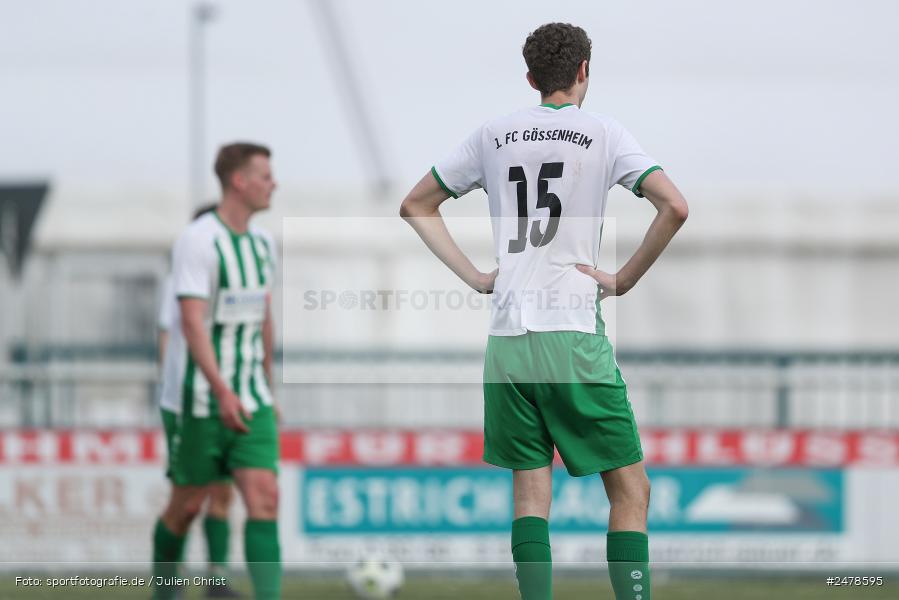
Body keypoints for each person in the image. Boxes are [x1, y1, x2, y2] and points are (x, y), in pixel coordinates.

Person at [400, 23, 688, 600]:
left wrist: (479, 278)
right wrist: (623, 279)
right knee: (631, 493)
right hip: (573, 334)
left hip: (508, 340)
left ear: (531, 78)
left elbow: (415, 205)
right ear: (584, 70)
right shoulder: (604, 133)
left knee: (531, 496)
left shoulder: (493, 134)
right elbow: (674, 207)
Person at [152, 142, 281, 600]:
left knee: (264, 499)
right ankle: (165, 592)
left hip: (252, 398)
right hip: (200, 400)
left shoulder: (264, 244)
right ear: (239, 181)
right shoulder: (198, 240)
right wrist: (222, 391)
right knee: (186, 508)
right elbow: (189, 323)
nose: (274, 184)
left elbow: (262, 318)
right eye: (265, 176)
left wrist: (266, 386)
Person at [157, 202, 242, 598]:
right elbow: (168, 336)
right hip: (188, 404)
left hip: (227, 402)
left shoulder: (239, 277)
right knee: (187, 502)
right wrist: (173, 388)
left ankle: (216, 581)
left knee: (223, 494)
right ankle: (167, 585)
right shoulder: (181, 279)